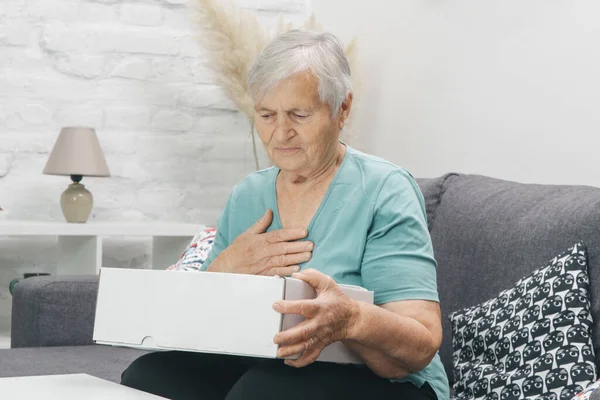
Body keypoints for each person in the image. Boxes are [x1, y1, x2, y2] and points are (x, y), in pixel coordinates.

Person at [121, 30, 449, 400]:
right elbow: (201, 326)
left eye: (299, 114)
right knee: (150, 376)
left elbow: (420, 344)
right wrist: (223, 269)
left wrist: (352, 319)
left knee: (263, 391)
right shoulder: (248, 195)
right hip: (271, 365)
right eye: (266, 114)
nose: (280, 133)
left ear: (342, 108)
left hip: (392, 384)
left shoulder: (385, 189)